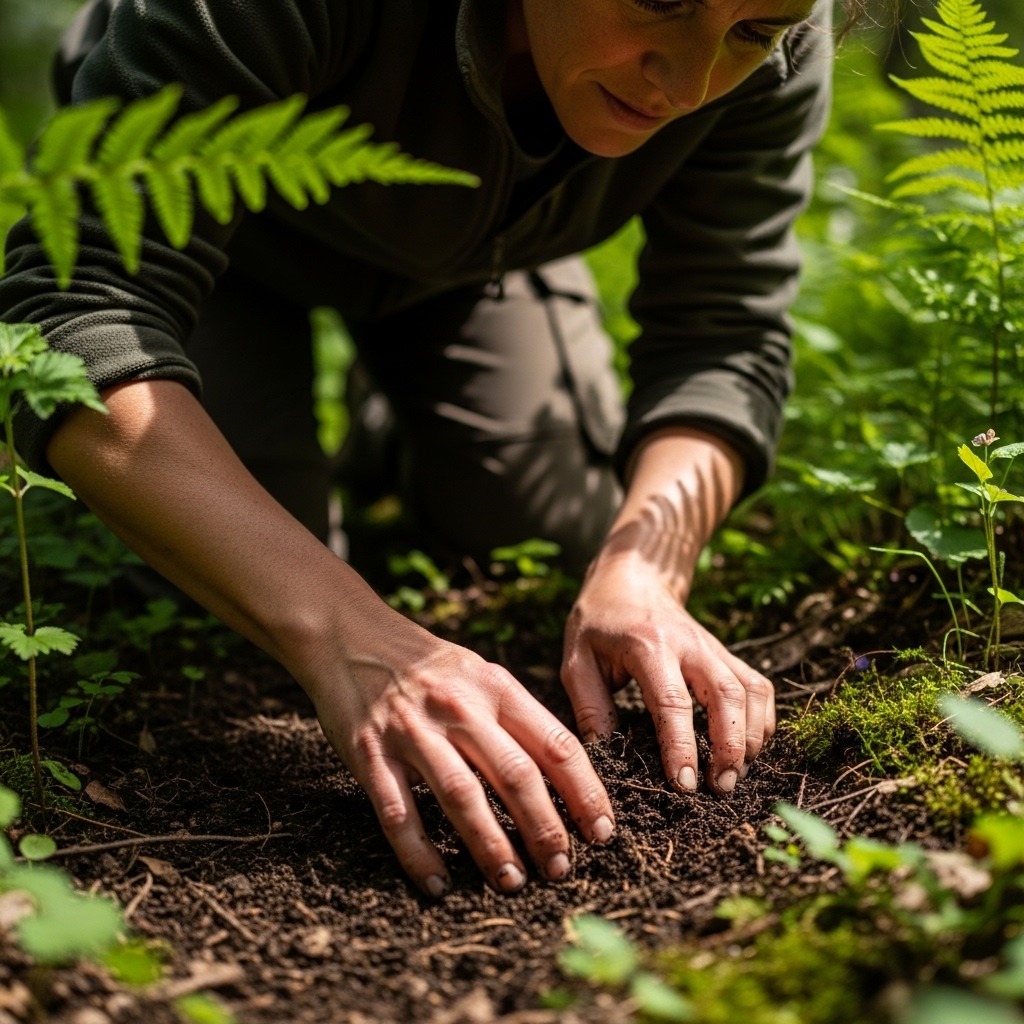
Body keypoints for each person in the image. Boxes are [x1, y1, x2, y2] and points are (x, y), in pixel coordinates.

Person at [1, 0, 838, 898]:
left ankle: (391, 427)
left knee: (539, 520)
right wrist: (343, 633)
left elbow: (725, 332)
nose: (692, 80)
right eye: (659, 1)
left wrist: (648, 572)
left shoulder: (776, 26)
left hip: (474, 256)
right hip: (207, 240)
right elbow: (75, 321)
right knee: (223, 595)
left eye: (751, 34)